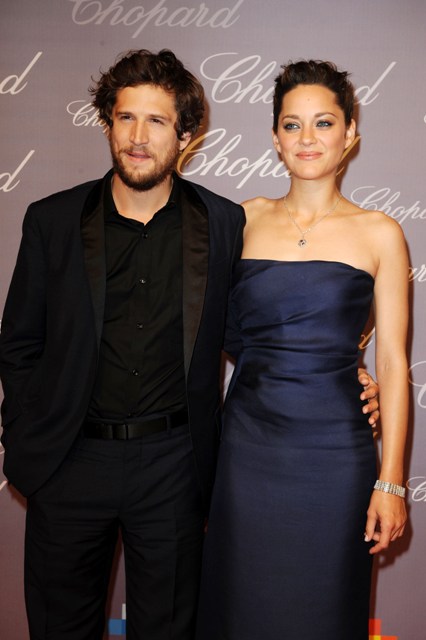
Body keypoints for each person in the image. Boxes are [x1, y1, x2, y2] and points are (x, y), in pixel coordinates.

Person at [0, 51, 379, 640]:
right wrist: (32, 441)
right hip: (70, 464)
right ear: (107, 124)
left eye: (156, 121)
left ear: (185, 136)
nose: (138, 137)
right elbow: (20, 343)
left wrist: (338, 372)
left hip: (174, 470)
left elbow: (249, 330)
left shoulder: (222, 223)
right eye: (126, 118)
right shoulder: (52, 220)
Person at [195, 60, 408, 640]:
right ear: (275, 137)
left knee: (323, 613)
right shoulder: (240, 220)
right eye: (292, 125)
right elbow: (213, 329)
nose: (307, 138)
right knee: (238, 610)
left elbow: (392, 362)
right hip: (246, 452)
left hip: (336, 457)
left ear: (350, 133)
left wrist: (391, 482)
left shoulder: (381, 232)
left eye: (324, 123)